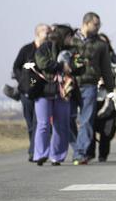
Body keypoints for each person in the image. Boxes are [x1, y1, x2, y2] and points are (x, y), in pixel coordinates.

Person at [30, 24, 81, 166]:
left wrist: (74, 67)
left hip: (63, 92)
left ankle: (57, 156)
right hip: (43, 91)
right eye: (70, 36)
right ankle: (40, 154)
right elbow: (42, 63)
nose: (72, 39)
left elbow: (80, 65)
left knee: (62, 124)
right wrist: (61, 66)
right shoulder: (44, 48)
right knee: (43, 124)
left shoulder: (73, 50)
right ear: (63, 36)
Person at [70, 12, 116, 165]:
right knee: (67, 119)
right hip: (69, 85)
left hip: (89, 85)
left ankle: (80, 153)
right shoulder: (70, 40)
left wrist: (111, 89)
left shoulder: (100, 45)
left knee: (86, 120)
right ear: (86, 23)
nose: (98, 28)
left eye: (99, 25)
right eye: (96, 24)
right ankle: (75, 146)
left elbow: (106, 68)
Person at [12, 23, 50, 162]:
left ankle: (34, 151)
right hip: (28, 89)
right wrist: (22, 80)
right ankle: (33, 148)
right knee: (30, 122)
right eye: (46, 31)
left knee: (39, 122)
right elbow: (16, 67)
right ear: (38, 33)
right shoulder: (27, 49)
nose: (48, 34)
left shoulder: (50, 50)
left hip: (42, 91)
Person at [86, 33, 116, 162]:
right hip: (92, 97)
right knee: (89, 127)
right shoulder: (87, 56)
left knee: (107, 131)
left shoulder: (114, 59)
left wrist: (108, 80)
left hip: (109, 99)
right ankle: (89, 153)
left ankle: (103, 154)